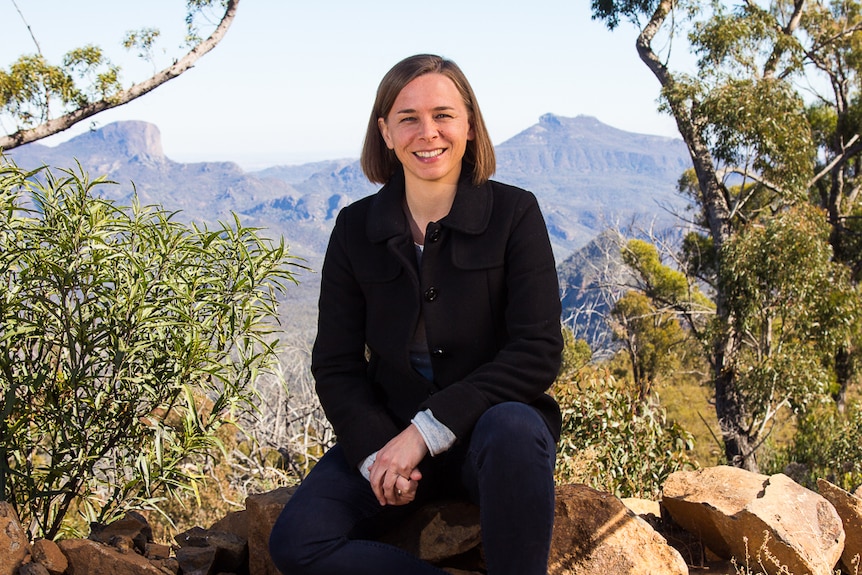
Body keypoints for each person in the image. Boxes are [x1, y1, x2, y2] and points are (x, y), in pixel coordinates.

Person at [269, 53, 563, 575]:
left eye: (444, 115)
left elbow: (536, 353)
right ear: (384, 131)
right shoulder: (355, 228)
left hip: (490, 440)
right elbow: (336, 363)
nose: (428, 132)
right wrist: (377, 455)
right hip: (387, 433)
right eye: (408, 118)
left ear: (470, 125)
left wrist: (424, 433)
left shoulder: (516, 214)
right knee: (298, 544)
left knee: (516, 426)